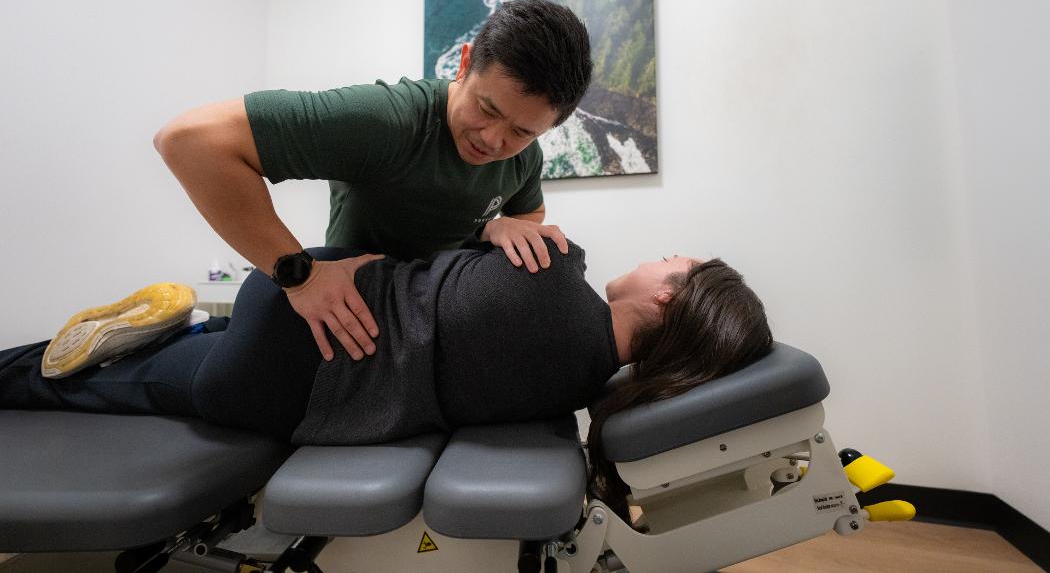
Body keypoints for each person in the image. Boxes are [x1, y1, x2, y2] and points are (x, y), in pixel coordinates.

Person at [0, 240, 772, 519]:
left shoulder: (552, 271)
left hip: (279, 348)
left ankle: (89, 354)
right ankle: (172, 333)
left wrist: (494, 224)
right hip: (321, 390)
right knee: (163, 362)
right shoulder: (578, 381)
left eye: (673, 260)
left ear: (666, 299)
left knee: (77, 378)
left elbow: (416, 242)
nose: (660, 255)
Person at [153, 0, 593, 363]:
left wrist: (496, 227)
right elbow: (190, 142)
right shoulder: (387, 121)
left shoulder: (523, 157)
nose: (493, 140)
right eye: (487, 108)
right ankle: (164, 340)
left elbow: (529, 212)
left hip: (424, 318)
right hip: (350, 308)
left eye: (521, 131)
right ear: (464, 63)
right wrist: (301, 277)